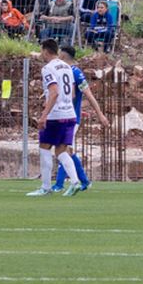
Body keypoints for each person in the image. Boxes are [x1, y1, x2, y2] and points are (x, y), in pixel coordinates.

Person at [28, 39, 83, 197]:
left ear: (45, 51)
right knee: (61, 150)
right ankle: (74, 182)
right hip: (70, 114)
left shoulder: (48, 68)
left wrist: (44, 115)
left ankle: (46, 187)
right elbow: (72, 93)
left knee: (44, 147)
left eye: (41, 51)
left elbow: (54, 92)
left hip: (55, 115)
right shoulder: (67, 67)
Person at [51, 45, 107, 193]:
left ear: (62, 56)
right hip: (64, 117)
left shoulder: (75, 73)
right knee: (67, 150)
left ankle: (59, 184)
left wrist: (100, 114)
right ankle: (84, 181)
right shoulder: (66, 71)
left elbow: (88, 94)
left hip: (70, 118)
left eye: (58, 54)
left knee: (62, 150)